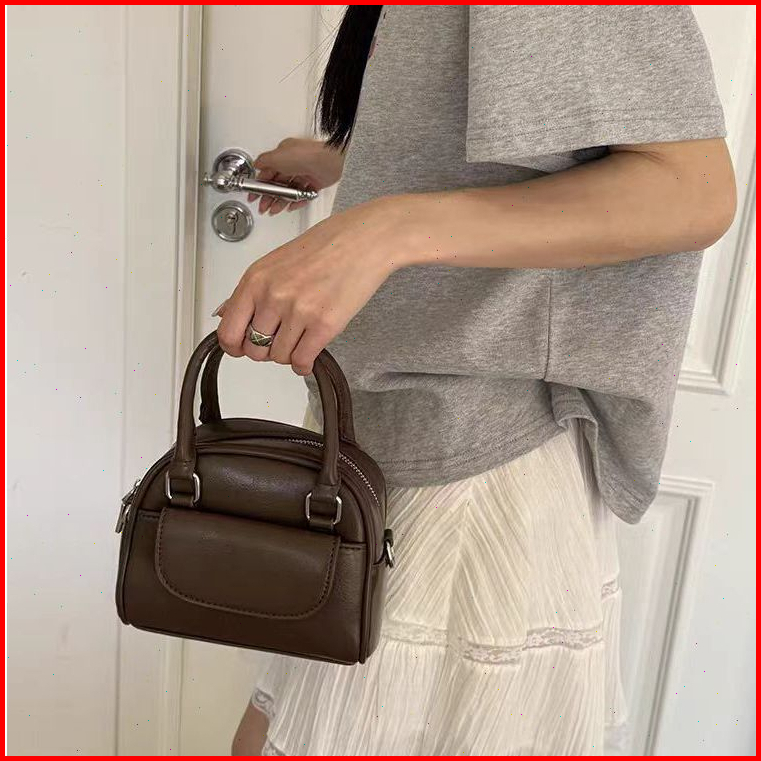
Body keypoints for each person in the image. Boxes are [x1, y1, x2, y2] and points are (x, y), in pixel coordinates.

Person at [215, 5, 736, 756]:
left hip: (475, 461)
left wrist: (381, 229)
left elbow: (690, 187)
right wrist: (355, 159)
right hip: (407, 433)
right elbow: (531, 141)